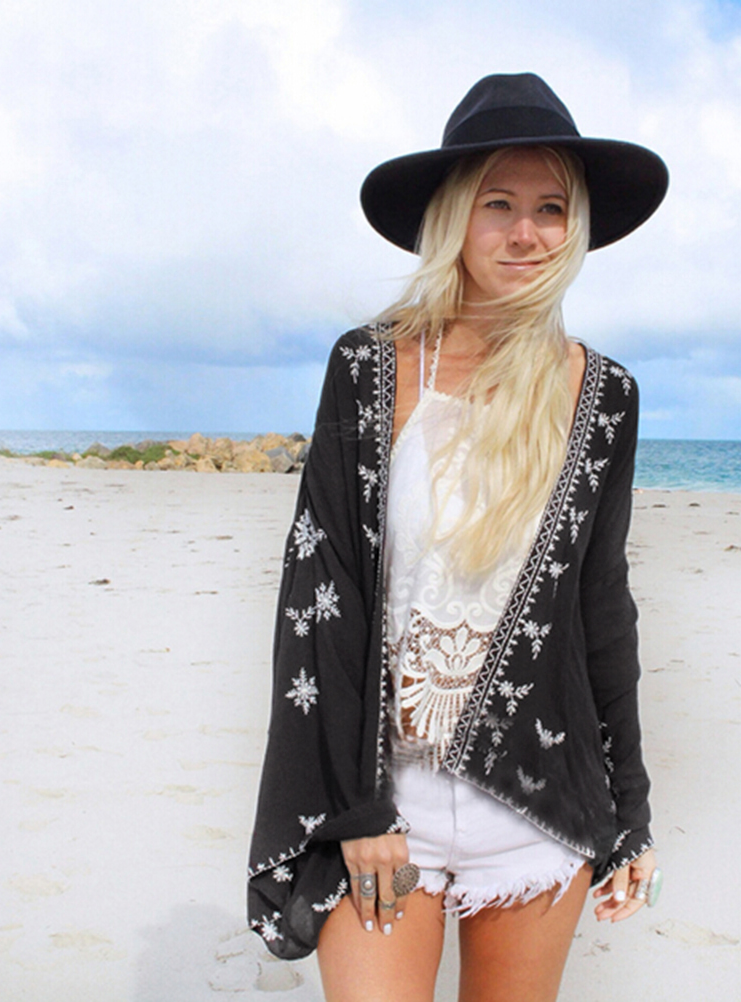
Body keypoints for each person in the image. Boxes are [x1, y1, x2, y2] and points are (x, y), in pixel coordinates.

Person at [248, 72, 669, 1002]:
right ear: (454, 218)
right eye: (498, 204)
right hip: (385, 803)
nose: (526, 233)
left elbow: (603, 606)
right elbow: (321, 595)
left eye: (552, 208)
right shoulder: (369, 366)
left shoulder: (604, 394)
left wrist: (632, 809)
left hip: (538, 808)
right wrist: (358, 808)